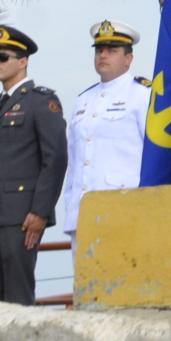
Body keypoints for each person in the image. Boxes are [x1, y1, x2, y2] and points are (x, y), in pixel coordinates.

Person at [0, 26, 65, 306]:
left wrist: (40, 211)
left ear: (23, 61)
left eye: (3, 57)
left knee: (17, 298)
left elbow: (56, 159)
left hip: (20, 217)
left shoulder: (40, 101)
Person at [57, 21, 147, 240]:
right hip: (82, 214)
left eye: (112, 51)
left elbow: (153, 154)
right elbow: (74, 159)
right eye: (99, 50)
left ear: (128, 59)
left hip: (123, 209)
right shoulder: (83, 100)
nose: (103, 56)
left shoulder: (142, 94)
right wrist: (70, 205)